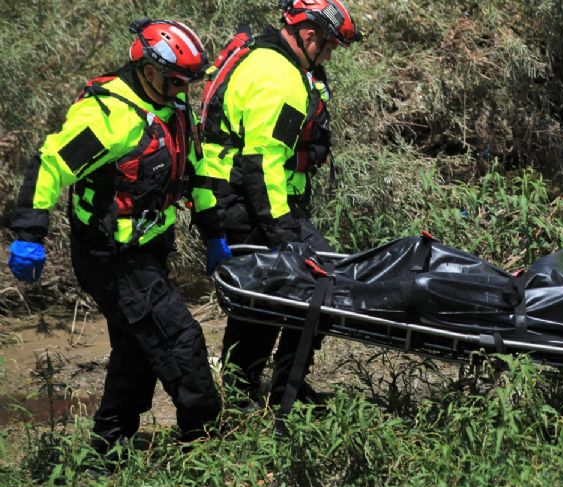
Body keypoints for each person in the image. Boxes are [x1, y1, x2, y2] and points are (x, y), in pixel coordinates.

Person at [5, 19, 230, 454]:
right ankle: (204, 447)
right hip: (111, 256)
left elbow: (197, 174)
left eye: (187, 82)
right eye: (174, 80)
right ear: (147, 69)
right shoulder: (108, 115)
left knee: (137, 346)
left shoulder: (174, 106)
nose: (182, 89)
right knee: (180, 341)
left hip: (147, 250)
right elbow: (50, 164)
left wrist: (214, 233)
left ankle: (107, 448)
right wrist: (29, 232)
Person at [196, 0, 361, 406]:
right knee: (265, 302)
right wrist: (283, 232)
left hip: (251, 198)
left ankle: (286, 383)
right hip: (245, 203)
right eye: (328, 48)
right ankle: (242, 397)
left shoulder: (266, 59)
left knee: (313, 283)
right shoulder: (279, 77)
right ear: (309, 36)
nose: (329, 56)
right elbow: (261, 163)